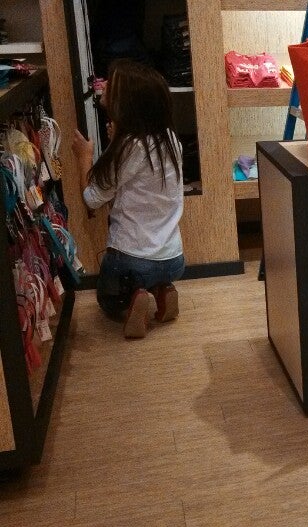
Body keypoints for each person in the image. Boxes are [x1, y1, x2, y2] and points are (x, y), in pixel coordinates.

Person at [71, 59, 185, 339]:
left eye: (111, 84)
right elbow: (135, 173)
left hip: (133, 261)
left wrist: (84, 157)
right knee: (152, 273)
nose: (103, 85)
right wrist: (117, 140)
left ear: (126, 103)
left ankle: (132, 301)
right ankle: (162, 288)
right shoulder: (170, 139)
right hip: (173, 259)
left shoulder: (128, 147)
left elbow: (92, 198)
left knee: (107, 299)